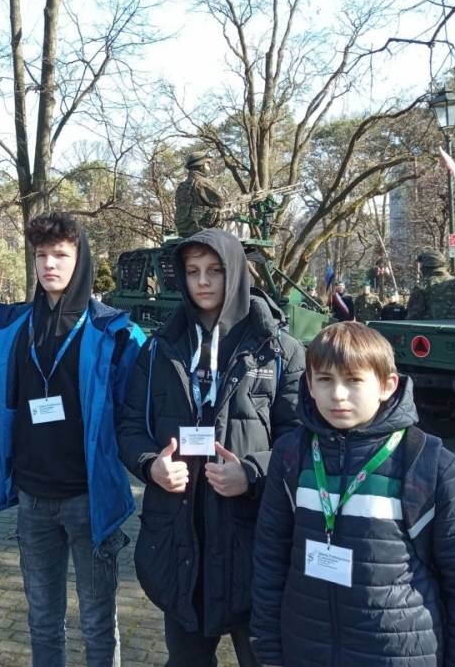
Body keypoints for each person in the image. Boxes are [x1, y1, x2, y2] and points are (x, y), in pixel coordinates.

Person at [251, 322, 455, 666]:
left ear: (387, 385)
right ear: (308, 384)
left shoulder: (433, 467)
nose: (338, 394)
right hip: (305, 650)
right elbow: (270, 561)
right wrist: (269, 653)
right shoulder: (290, 456)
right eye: (324, 379)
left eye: (354, 380)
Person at [116, 229, 305, 667]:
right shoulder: (159, 349)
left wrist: (252, 473)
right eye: (193, 271)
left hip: (250, 538)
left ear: (234, 272)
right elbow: (130, 426)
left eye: (215, 271)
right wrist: (150, 465)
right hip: (180, 537)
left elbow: (300, 439)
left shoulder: (278, 350)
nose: (202, 281)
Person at [0, 211, 145, 667]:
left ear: (81, 259)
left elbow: (132, 417)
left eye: (60, 254)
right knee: (42, 618)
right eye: (41, 256)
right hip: (33, 497)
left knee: (97, 619)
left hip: (88, 499)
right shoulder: (14, 327)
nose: (49, 264)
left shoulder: (114, 331)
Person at [406, 249, 455, 319]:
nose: (421, 268)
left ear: (426, 267)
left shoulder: (423, 285)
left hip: (430, 325)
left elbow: (413, 315)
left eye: (422, 265)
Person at [174, 152, 226, 237]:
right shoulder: (202, 182)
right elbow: (221, 202)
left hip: (183, 230)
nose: (209, 167)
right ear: (201, 165)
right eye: (207, 164)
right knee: (218, 210)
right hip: (200, 229)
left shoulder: (181, 186)